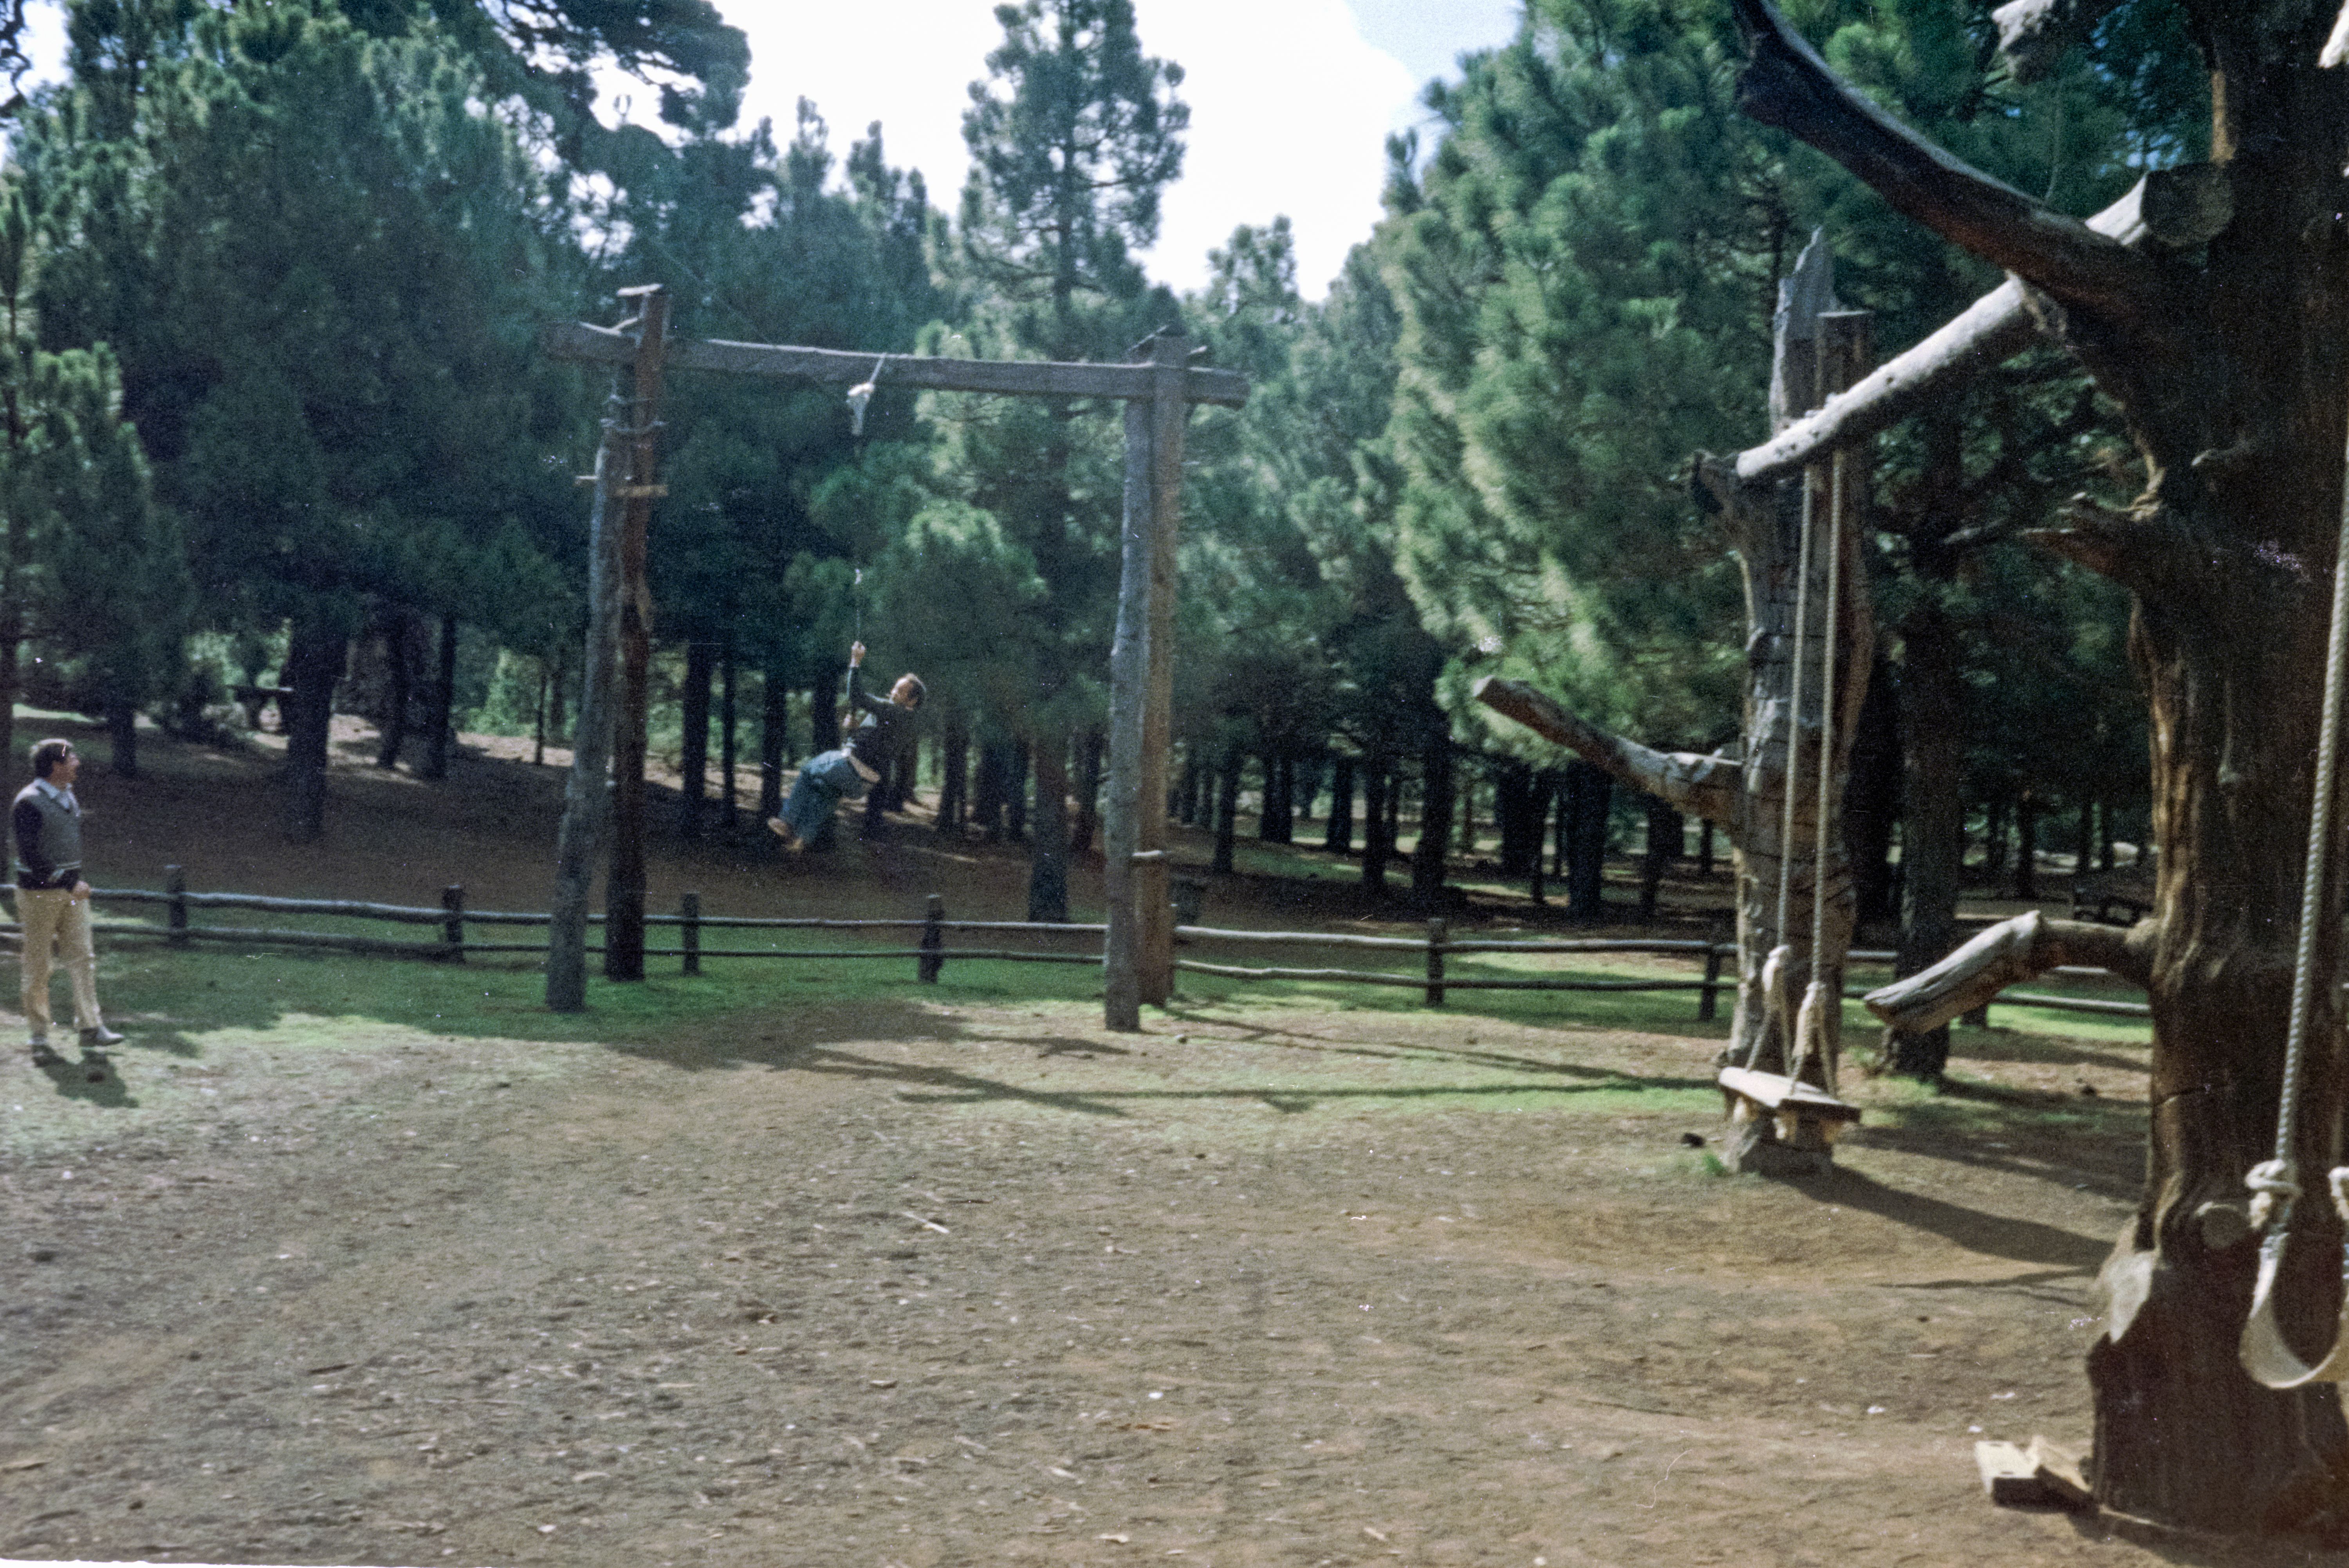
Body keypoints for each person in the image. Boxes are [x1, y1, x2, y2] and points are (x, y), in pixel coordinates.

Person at [13, 739, 123, 1066]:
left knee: (82, 957)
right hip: (39, 894)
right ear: (55, 766)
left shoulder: (67, 796)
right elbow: (30, 856)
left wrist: (71, 884)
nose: (77, 763)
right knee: (38, 964)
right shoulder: (28, 802)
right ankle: (39, 1036)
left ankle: (90, 1027)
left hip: (71, 893)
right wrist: (68, 882)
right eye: (72, 758)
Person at [769, 643, 924, 851]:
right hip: (862, 785)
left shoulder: (896, 711)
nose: (893, 692)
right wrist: (856, 729)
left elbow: (857, 696)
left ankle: (787, 821)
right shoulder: (907, 722)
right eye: (895, 688)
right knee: (825, 793)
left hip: (850, 769)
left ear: (912, 701)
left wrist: (855, 662)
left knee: (808, 770)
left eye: (900, 691)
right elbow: (878, 744)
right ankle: (801, 838)